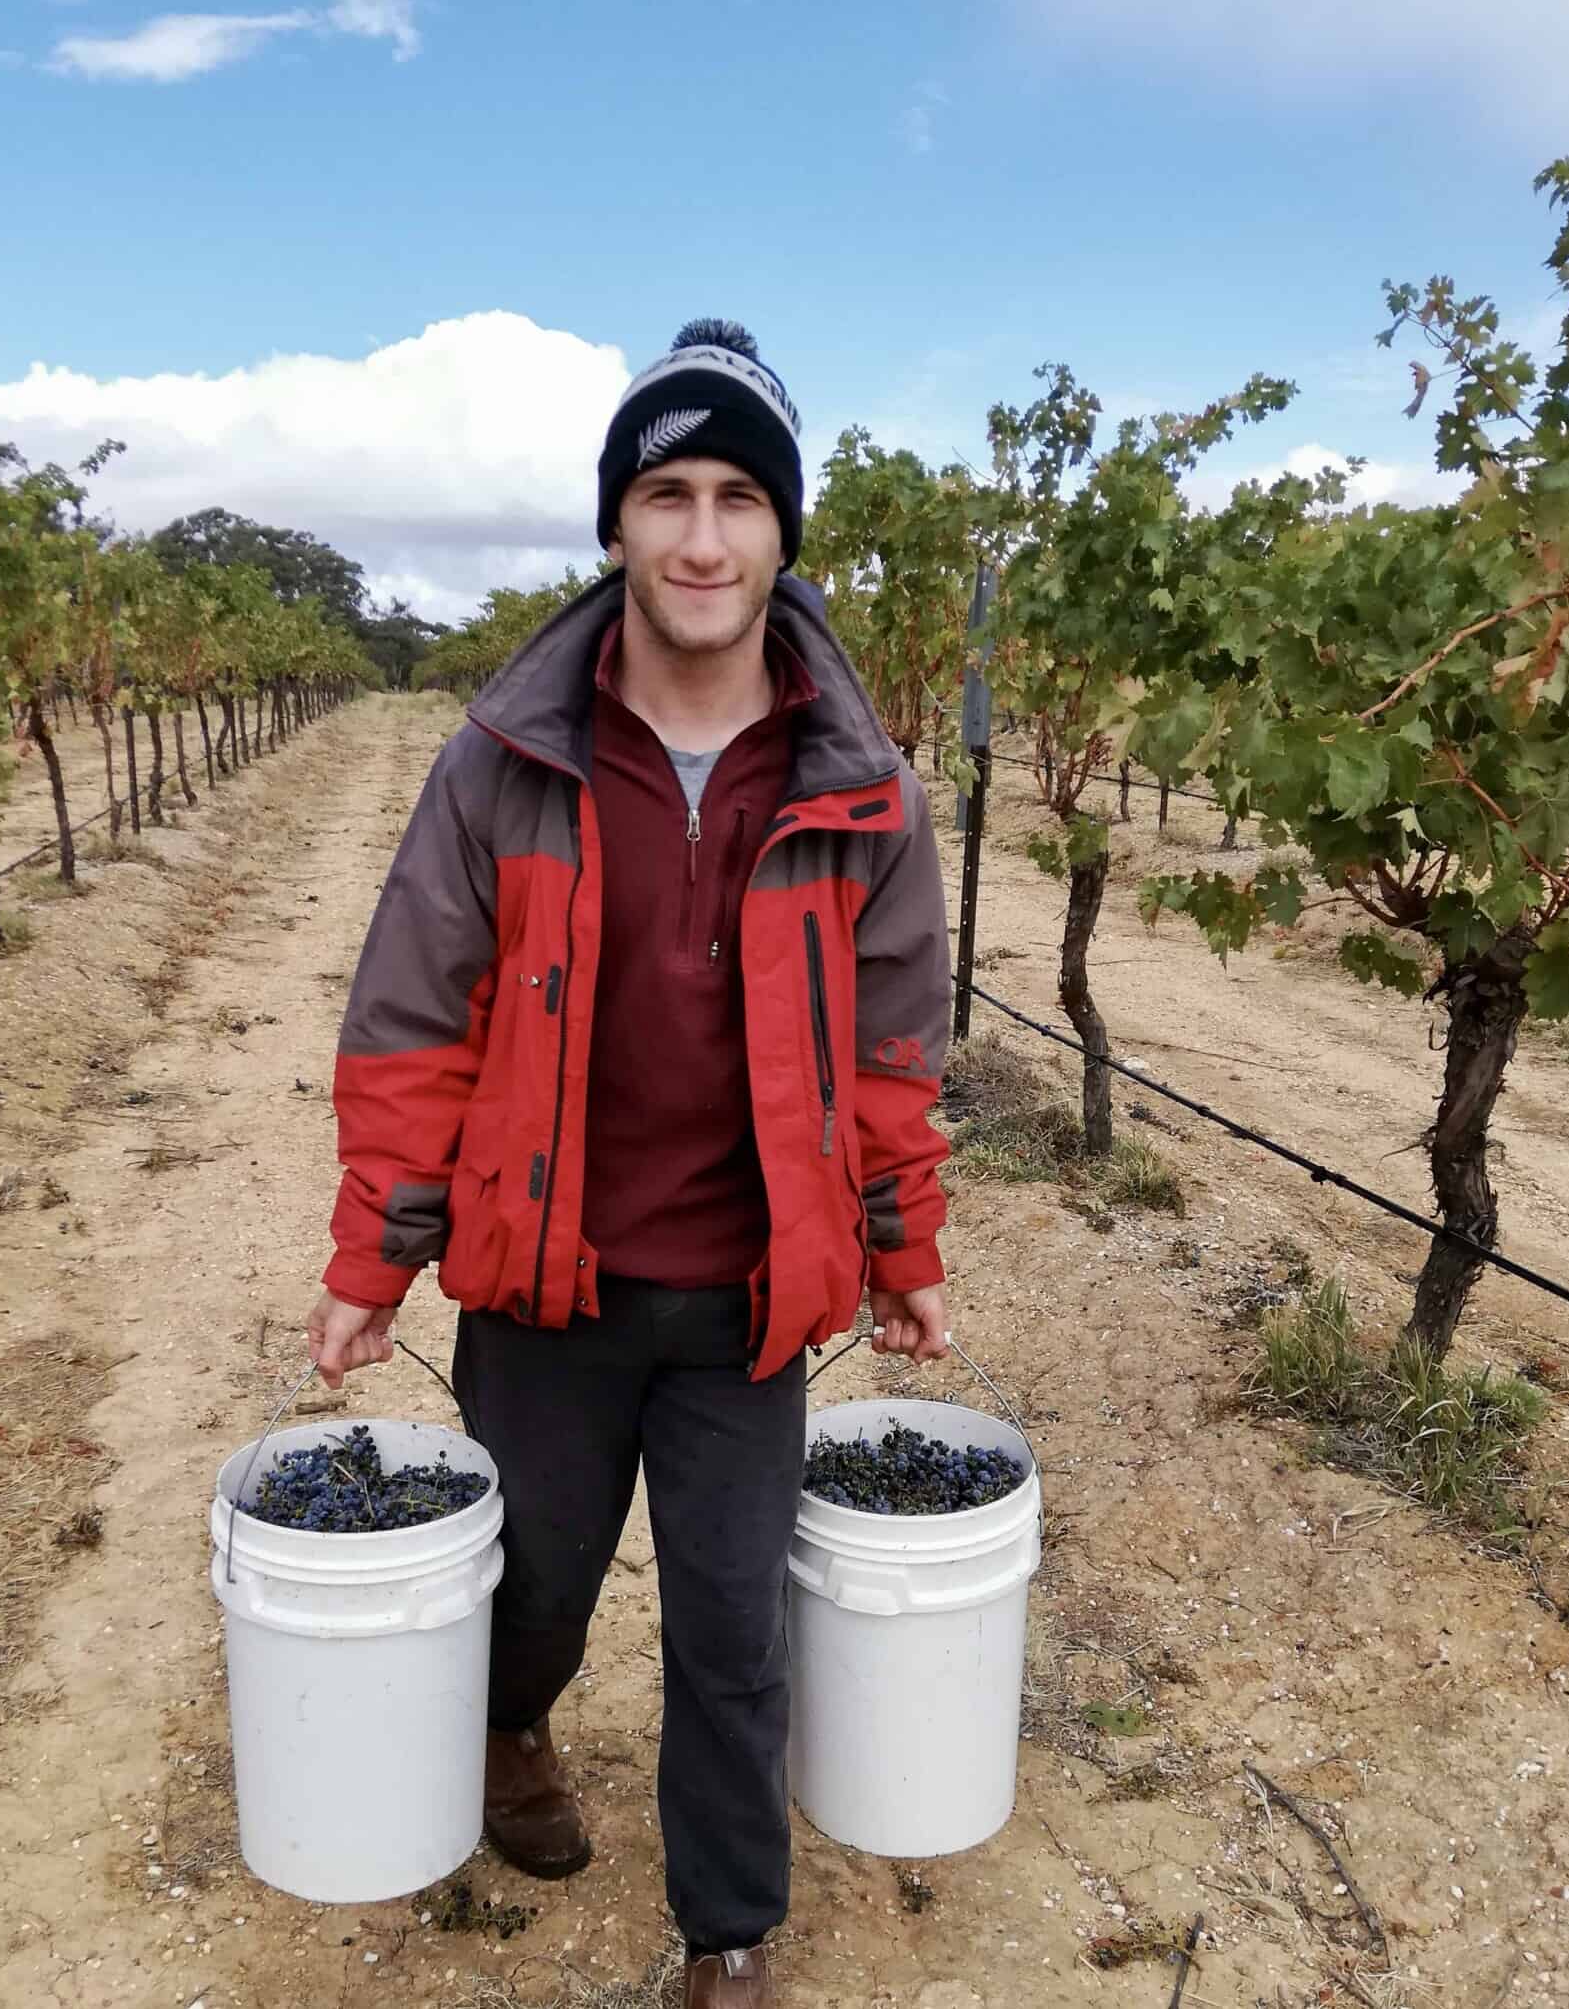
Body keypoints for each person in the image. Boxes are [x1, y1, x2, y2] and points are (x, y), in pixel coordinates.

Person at [307, 318, 953, 2008]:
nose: (703, 537)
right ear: (616, 525)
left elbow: (895, 1055)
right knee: (534, 1584)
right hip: (549, 1282)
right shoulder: (504, 764)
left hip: (750, 1299)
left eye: (741, 496)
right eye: (668, 495)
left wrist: (902, 1248)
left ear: (783, 531)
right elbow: (413, 1024)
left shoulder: (864, 793)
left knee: (732, 1634)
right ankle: (511, 1729)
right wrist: (375, 1260)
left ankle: (729, 1936)